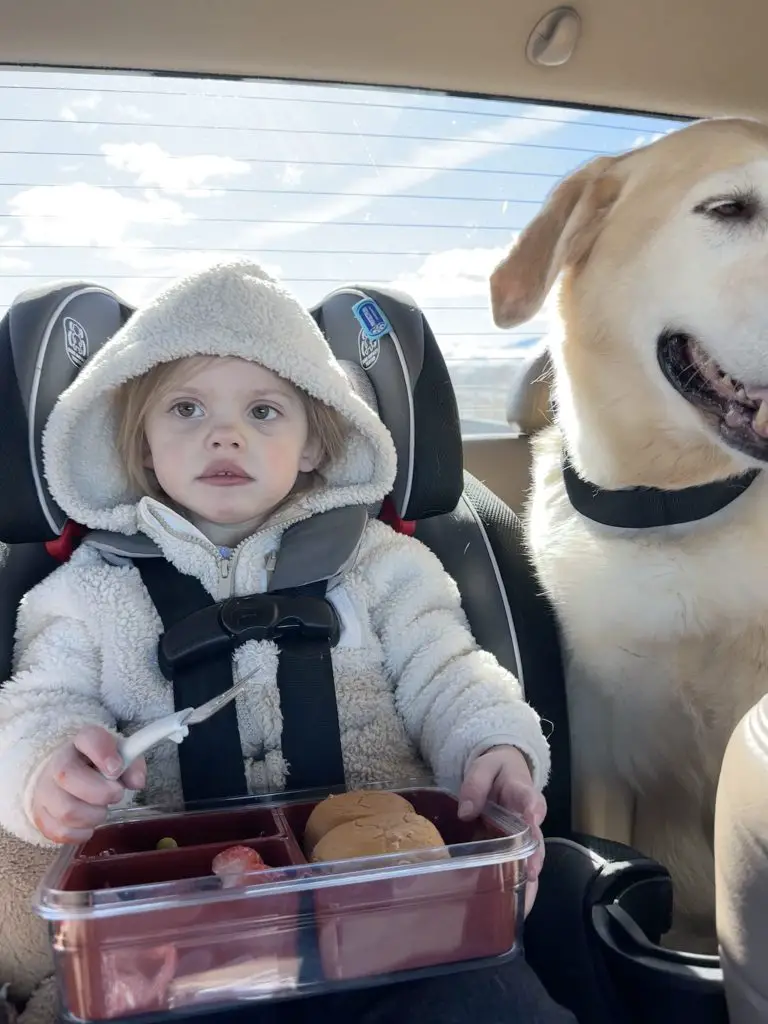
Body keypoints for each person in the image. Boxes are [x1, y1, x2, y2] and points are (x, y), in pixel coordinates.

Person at [0, 260, 576, 1023]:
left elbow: (452, 675)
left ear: (313, 445)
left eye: (265, 412)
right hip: (174, 933)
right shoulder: (85, 590)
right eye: (184, 409)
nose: (224, 432)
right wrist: (47, 768)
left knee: (488, 1000)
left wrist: (492, 748)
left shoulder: (386, 567)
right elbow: (37, 705)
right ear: (140, 447)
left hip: (394, 911)